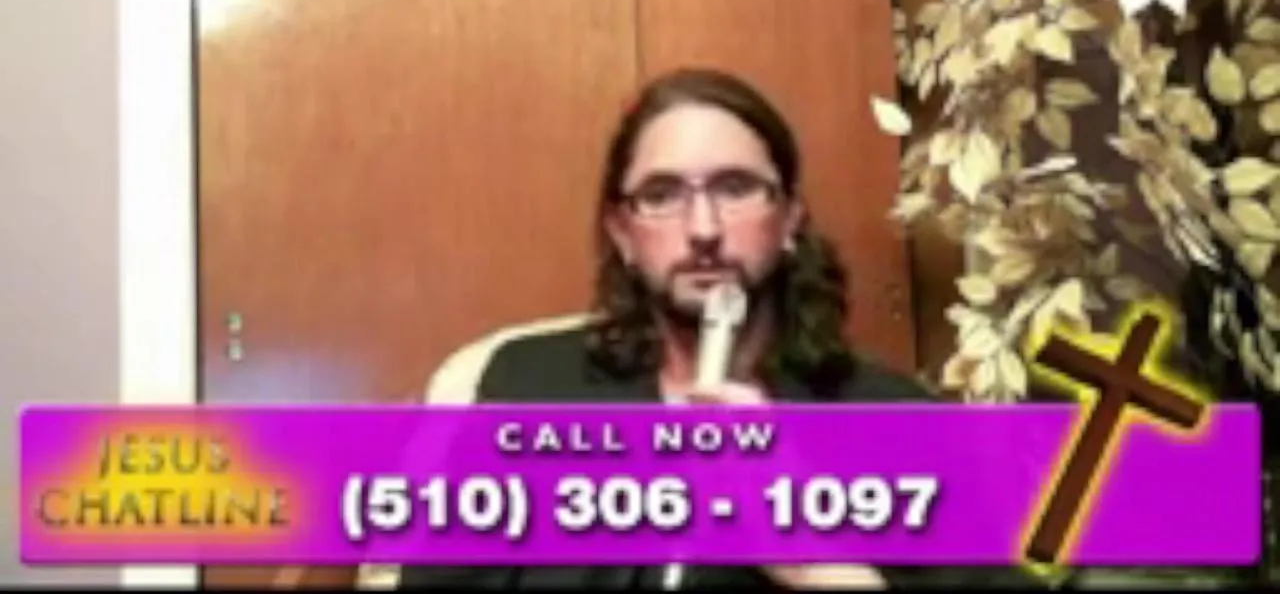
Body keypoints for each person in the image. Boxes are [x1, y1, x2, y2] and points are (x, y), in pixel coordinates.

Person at [389, 68, 1046, 589]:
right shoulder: (527, 385)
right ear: (623, 233)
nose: (702, 229)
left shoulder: (897, 423)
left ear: (789, 219)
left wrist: (813, 557)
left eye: (735, 188)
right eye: (662, 195)